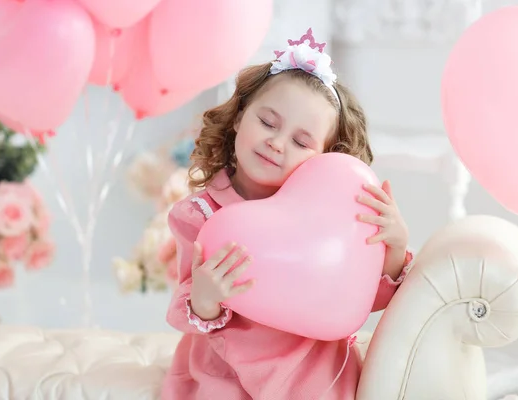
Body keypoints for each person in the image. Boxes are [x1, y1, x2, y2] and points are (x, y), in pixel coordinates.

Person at [162, 28, 414, 400]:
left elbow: (361, 300)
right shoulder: (200, 216)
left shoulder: (333, 217)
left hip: (315, 374)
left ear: (327, 155)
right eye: (267, 122)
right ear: (239, 117)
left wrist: (394, 244)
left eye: (301, 142)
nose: (276, 144)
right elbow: (186, 308)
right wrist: (206, 297)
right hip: (227, 372)